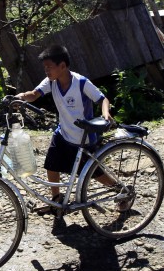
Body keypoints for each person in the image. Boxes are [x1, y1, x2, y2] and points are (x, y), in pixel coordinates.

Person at [16, 44, 113, 215]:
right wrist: (21, 97)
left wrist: (105, 114)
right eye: (44, 68)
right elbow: (34, 94)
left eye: (49, 67)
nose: (46, 71)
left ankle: (120, 190)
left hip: (83, 137)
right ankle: (57, 200)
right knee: (51, 165)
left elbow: (103, 99)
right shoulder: (51, 82)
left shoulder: (81, 82)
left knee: (95, 174)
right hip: (63, 132)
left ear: (62, 66)